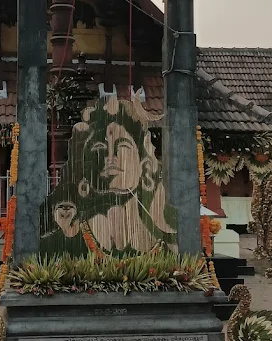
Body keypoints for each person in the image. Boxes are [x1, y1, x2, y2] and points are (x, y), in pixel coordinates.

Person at [39, 95, 177, 257]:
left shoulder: (167, 243)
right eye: (99, 147)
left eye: (122, 145)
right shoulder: (58, 244)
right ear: (84, 169)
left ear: (144, 166)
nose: (110, 157)